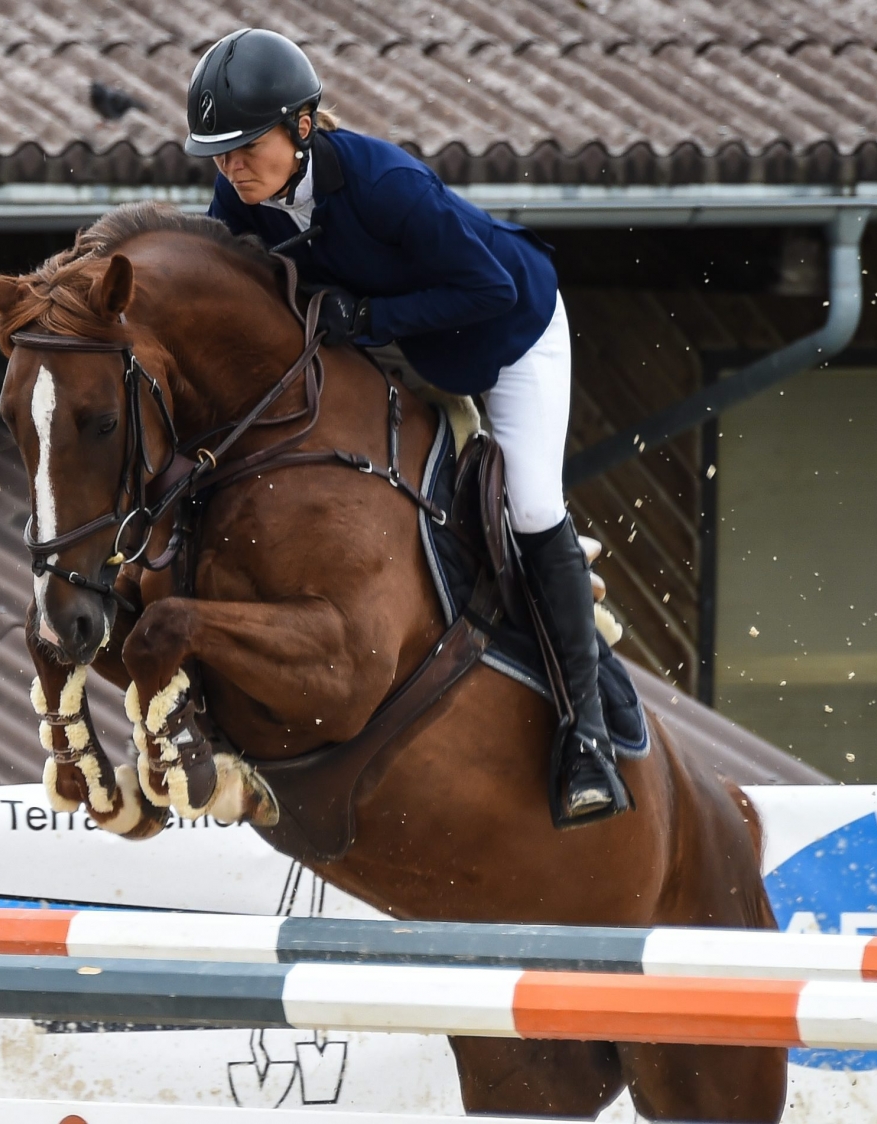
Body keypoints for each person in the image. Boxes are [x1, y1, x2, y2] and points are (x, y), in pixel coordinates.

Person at [187, 28, 641, 828]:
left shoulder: (386, 183)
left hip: (508, 339)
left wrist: (370, 315)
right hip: (401, 354)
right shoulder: (240, 203)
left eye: (245, 148)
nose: (231, 169)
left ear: (301, 126)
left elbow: (489, 288)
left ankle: (589, 737)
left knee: (532, 507)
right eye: (218, 155)